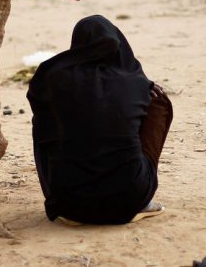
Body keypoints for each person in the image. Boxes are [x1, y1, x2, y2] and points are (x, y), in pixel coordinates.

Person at [27, 15, 174, 225]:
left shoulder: (55, 80)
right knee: (157, 102)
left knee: (45, 117)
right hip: (129, 198)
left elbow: (37, 95)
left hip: (69, 202)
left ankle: (67, 198)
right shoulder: (133, 82)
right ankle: (141, 200)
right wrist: (147, 88)